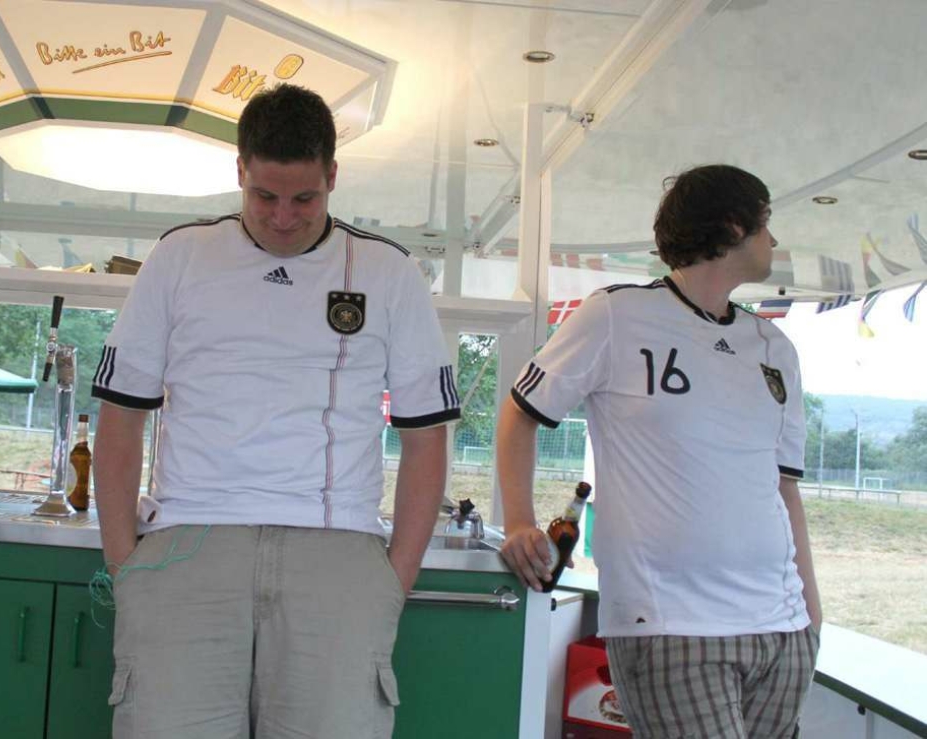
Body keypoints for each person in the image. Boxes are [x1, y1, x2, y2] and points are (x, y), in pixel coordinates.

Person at [91, 84, 459, 739]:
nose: (284, 218)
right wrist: (127, 568)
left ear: (332, 177)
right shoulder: (180, 258)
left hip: (338, 552)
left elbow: (426, 436)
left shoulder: (389, 272)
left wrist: (392, 582)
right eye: (265, 196)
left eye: (304, 199)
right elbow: (121, 416)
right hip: (188, 544)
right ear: (240, 171)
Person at [496, 164, 822, 739]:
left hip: (782, 630)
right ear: (733, 226)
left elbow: (783, 487)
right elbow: (521, 412)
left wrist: (812, 618)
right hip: (670, 624)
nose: (774, 240)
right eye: (766, 223)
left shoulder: (774, 347)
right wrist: (519, 521)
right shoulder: (615, 315)